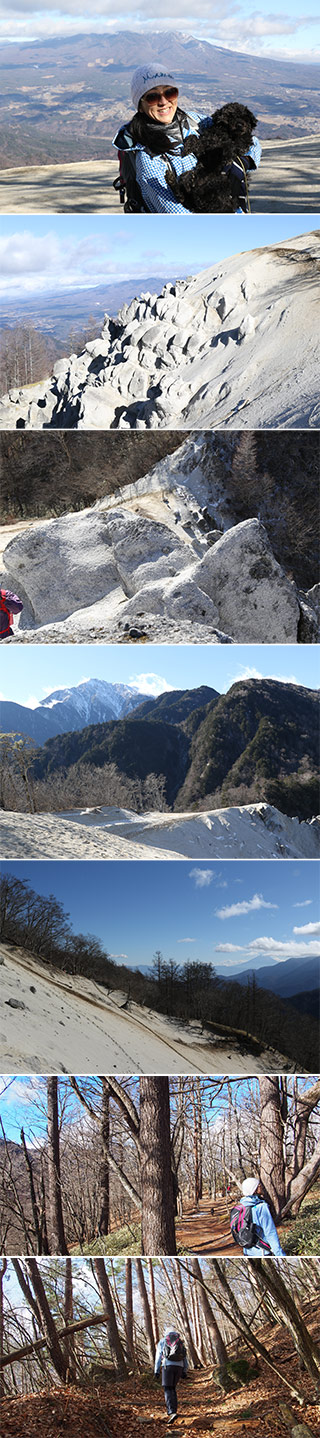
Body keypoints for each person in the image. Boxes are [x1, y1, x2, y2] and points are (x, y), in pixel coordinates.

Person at [113, 62, 261, 214]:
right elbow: (177, 214)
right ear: (140, 105)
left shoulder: (194, 121)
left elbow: (252, 141)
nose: (163, 102)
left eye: (170, 92)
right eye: (152, 96)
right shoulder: (148, 158)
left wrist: (244, 160)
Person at [231, 1176, 285, 1257]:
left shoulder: (242, 1206)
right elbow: (270, 1232)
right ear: (254, 1189)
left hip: (247, 1251)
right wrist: (280, 1254)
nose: (261, 1186)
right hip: (263, 1252)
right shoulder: (261, 1207)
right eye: (259, 1185)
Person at [154, 1325, 188, 1425]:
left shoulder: (163, 1341)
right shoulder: (180, 1341)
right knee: (172, 1388)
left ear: (166, 1333)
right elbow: (185, 1357)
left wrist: (156, 1371)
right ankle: (174, 1410)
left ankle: (172, 1412)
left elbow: (158, 1356)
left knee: (167, 1388)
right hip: (179, 1367)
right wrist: (185, 1370)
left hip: (167, 1366)